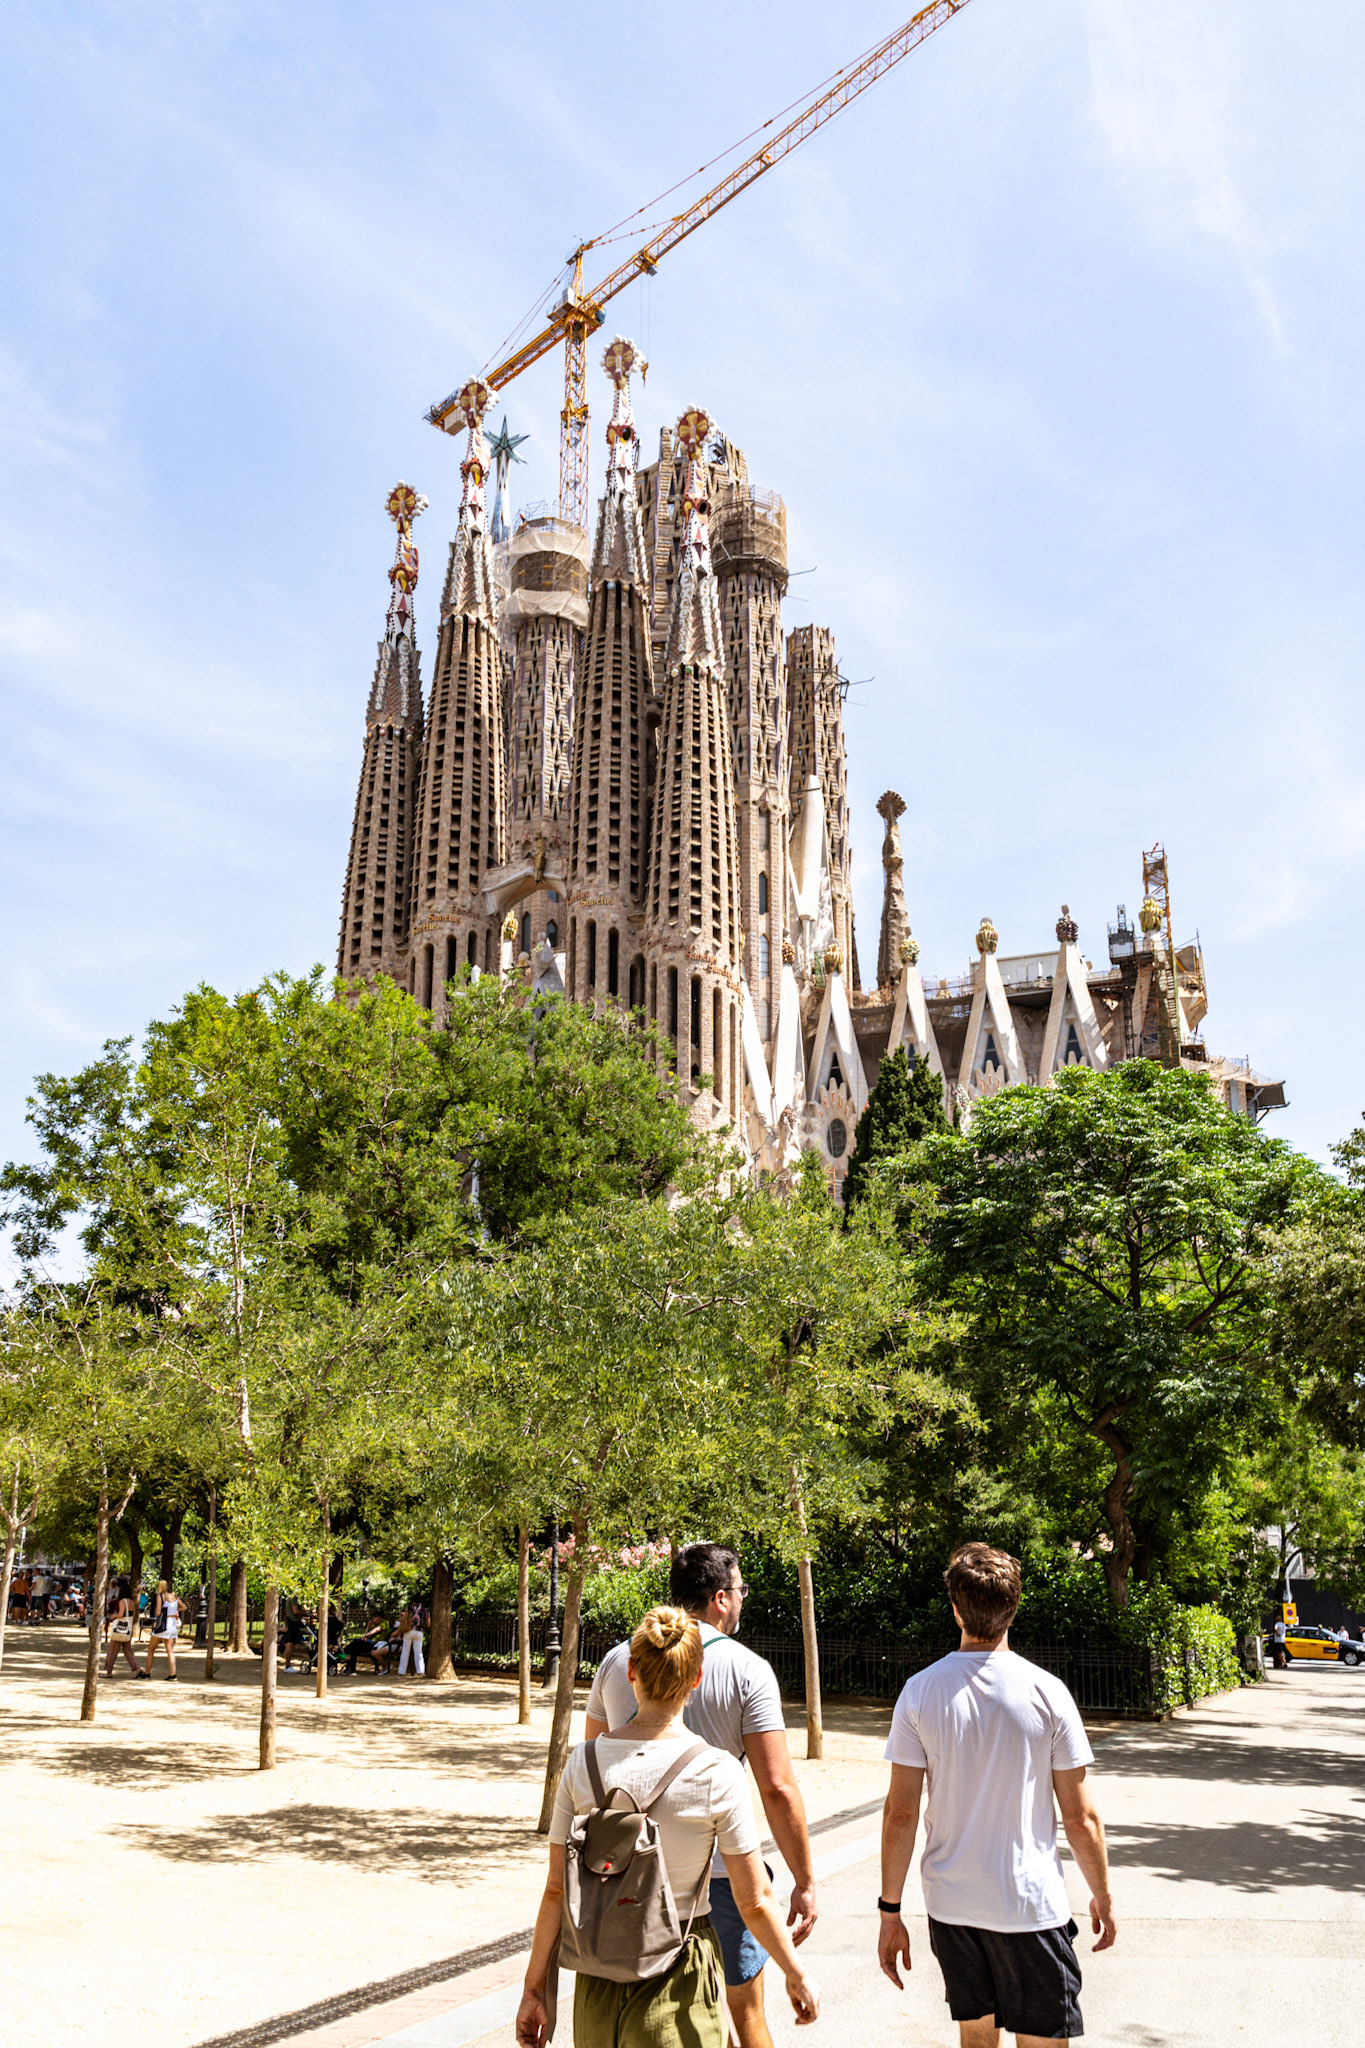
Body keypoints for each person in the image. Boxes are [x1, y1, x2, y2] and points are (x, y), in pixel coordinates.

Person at [516, 1606, 819, 2048]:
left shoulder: (581, 1763)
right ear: (695, 1678)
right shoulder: (717, 1773)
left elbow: (556, 1891)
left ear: (631, 1672)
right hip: (681, 1970)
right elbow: (753, 1900)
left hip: (598, 1975)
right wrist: (796, 1974)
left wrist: (533, 1990)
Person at [878, 1543, 1115, 2048]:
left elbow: (900, 1812)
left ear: (956, 1609)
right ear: (1015, 1606)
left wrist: (890, 1911)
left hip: (953, 1903)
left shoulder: (920, 1691)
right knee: (1043, 2039)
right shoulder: (1048, 1692)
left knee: (977, 2038)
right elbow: (1081, 1819)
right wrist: (1102, 1894)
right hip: (1029, 1905)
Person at [584, 1544, 816, 2048]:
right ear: (719, 1599)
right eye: (740, 1591)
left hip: (630, 1874)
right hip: (721, 1875)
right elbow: (776, 1787)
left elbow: (593, 1761)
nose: (742, 1601)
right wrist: (804, 1879)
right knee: (745, 2015)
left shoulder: (619, 1660)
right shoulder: (747, 1668)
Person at [136, 1580, 183, 1680]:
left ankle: (147, 1673)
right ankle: (172, 1674)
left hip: (163, 1624)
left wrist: (162, 1611)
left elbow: (158, 1613)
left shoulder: (160, 1596)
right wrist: (175, 1611)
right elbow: (184, 1607)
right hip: (172, 1624)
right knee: (170, 1650)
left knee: (151, 1649)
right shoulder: (174, 1596)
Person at [104, 1578, 140, 1677]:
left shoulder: (122, 1601)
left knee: (113, 1649)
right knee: (127, 1649)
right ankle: (137, 1668)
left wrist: (113, 1616)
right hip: (128, 1628)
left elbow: (120, 1614)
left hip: (120, 1628)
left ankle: (109, 1671)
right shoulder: (131, 1602)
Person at [398, 1601, 426, 1677]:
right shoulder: (424, 1610)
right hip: (419, 1631)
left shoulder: (409, 1609)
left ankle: (401, 1671)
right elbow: (427, 1622)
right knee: (418, 1652)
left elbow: (404, 1619)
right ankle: (420, 1671)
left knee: (405, 1651)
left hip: (408, 1631)